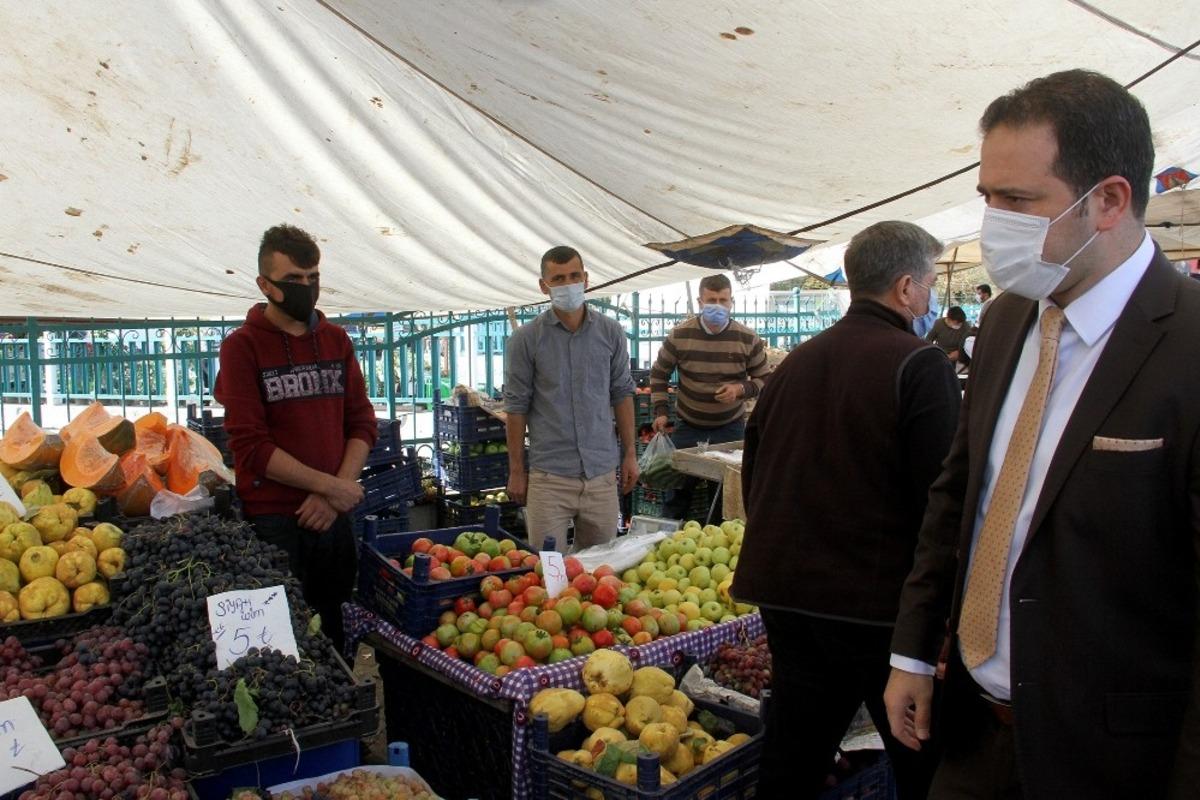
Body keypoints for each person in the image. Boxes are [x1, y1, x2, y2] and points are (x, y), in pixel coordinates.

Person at [884, 69, 1200, 800]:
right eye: (988, 198)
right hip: (969, 734)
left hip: (1114, 762)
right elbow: (960, 493)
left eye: (1020, 201)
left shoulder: (1187, 346)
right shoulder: (1004, 322)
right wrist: (910, 648)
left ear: (1110, 202)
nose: (996, 224)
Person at [732, 220, 961, 799]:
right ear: (907, 287)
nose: (930, 298)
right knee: (921, 759)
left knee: (793, 756)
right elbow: (939, 499)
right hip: (876, 607)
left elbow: (754, 476)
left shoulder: (796, 364)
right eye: (929, 284)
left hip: (786, 593)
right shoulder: (920, 364)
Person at [215, 224, 377, 651]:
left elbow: (361, 422)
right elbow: (251, 446)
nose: (307, 288)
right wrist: (332, 488)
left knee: (336, 633)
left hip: (333, 518)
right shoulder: (242, 348)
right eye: (293, 281)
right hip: (275, 523)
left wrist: (332, 496)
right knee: (284, 645)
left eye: (313, 278)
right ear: (265, 285)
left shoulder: (336, 340)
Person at [503, 246, 638, 552]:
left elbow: (622, 394)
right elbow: (516, 407)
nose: (569, 284)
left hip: (601, 474)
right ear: (544, 286)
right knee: (549, 571)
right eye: (559, 278)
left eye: (575, 276)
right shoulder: (526, 340)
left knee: (600, 570)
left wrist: (629, 454)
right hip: (550, 477)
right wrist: (516, 470)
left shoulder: (611, 332)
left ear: (586, 279)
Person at [649, 274, 770, 520]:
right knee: (677, 495)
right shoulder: (680, 335)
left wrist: (740, 389)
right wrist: (661, 411)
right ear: (699, 302)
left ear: (731, 302)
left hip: (730, 430)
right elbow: (658, 374)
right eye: (711, 300)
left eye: (722, 300)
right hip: (689, 428)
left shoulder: (747, 338)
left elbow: (765, 380)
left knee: (726, 499)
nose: (717, 305)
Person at [925, 305, 971, 370]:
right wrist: (936, 353)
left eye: (961, 323)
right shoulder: (938, 323)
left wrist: (960, 352)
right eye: (957, 323)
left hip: (958, 355)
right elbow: (928, 340)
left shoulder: (965, 326)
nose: (959, 325)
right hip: (941, 354)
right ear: (949, 319)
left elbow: (968, 343)